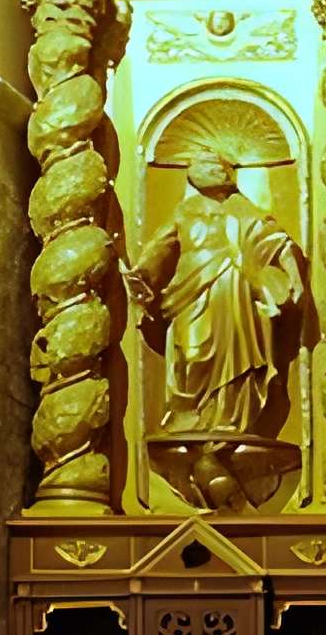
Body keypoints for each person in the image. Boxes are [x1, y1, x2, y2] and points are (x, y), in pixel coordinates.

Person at [128, 147, 302, 434]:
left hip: (238, 294)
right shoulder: (185, 210)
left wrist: (294, 277)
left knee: (239, 360)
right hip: (190, 294)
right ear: (194, 176)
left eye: (222, 168)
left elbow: (278, 242)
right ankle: (193, 415)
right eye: (210, 167)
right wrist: (142, 277)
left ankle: (230, 421)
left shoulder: (243, 208)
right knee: (193, 353)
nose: (219, 172)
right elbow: (160, 247)